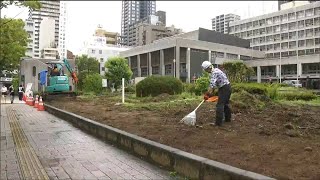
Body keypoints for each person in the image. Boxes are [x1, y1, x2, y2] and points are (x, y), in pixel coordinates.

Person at [201, 61, 232, 126]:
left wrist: (207, 94)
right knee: (225, 104)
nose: (206, 71)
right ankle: (228, 119)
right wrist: (210, 94)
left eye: (205, 70)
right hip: (227, 87)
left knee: (219, 105)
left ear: (208, 68)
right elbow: (215, 85)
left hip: (224, 88)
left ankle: (218, 123)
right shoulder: (216, 70)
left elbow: (212, 86)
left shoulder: (214, 73)